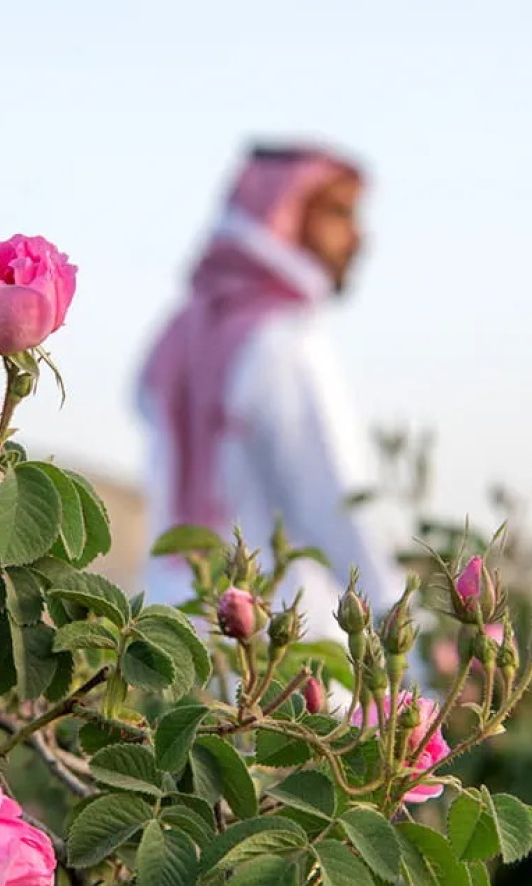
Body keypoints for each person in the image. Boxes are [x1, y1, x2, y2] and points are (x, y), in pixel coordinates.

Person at [136, 142, 405, 648]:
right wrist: (410, 653)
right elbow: (338, 512)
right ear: (285, 212)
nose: (358, 236)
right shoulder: (284, 344)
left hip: (172, 635)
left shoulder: (175, 339)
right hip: (289, 655)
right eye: (339, 213)